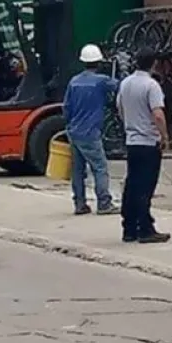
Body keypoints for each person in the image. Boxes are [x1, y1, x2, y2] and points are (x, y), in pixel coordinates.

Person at [116, 49, 170, 244]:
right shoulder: (151, 85)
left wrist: (130, 126)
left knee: (132, 185)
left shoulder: (125, 83)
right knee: (145, 187)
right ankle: (145, 229)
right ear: (154, 63)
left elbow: (120, 108)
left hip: (132, 142)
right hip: (148, 142)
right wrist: (164, 136)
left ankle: (129, 228)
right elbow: (157, 114)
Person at [62, 44, 119, 216]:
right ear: (99, 62)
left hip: (74, 132)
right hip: (91, 132)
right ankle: (104, 203)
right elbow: (121, 87)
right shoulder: (101, 81)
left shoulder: (74, 81)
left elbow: (66, 107)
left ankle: (80, 204)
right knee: (100, 168)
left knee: (78, 170)